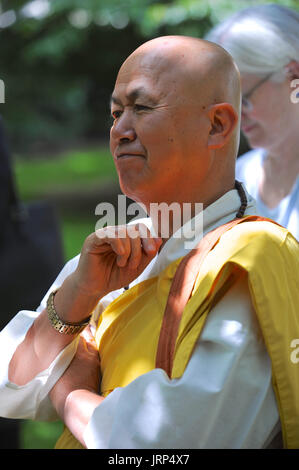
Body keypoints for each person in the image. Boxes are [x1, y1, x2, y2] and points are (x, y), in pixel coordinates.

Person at [0, 35, 298, 450]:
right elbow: (9, 387)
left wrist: (69, 394)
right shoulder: (115, 254)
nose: (119, 130)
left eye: (141, 108)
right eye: (115, 112)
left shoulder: (249, 258)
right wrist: (77, 295)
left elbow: (165, 443)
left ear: (218, 125)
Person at [206, 4, 299, 240]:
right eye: (222, 107)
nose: (234, 118)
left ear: (293, 75)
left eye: (242, 99)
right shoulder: (234, 179)